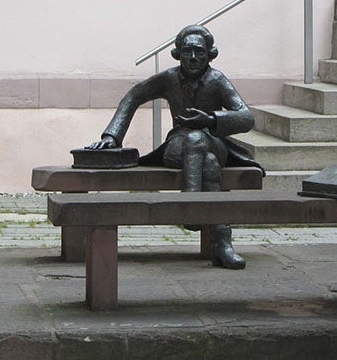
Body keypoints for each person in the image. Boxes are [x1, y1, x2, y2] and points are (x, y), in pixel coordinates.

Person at [87, 25, 262, 269]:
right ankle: (222, 245)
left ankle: (190, 209)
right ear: (177, 54)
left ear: (210, 54)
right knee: (206, 159)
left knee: (199, 141)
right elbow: (133, 96)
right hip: (177, 146)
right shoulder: (169, 78)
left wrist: (211, 120)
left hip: (212, 140)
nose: (193, 58)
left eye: (199, 52)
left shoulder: (217, 80)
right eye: (187, 51)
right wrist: (112, 136)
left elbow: (246, 118)